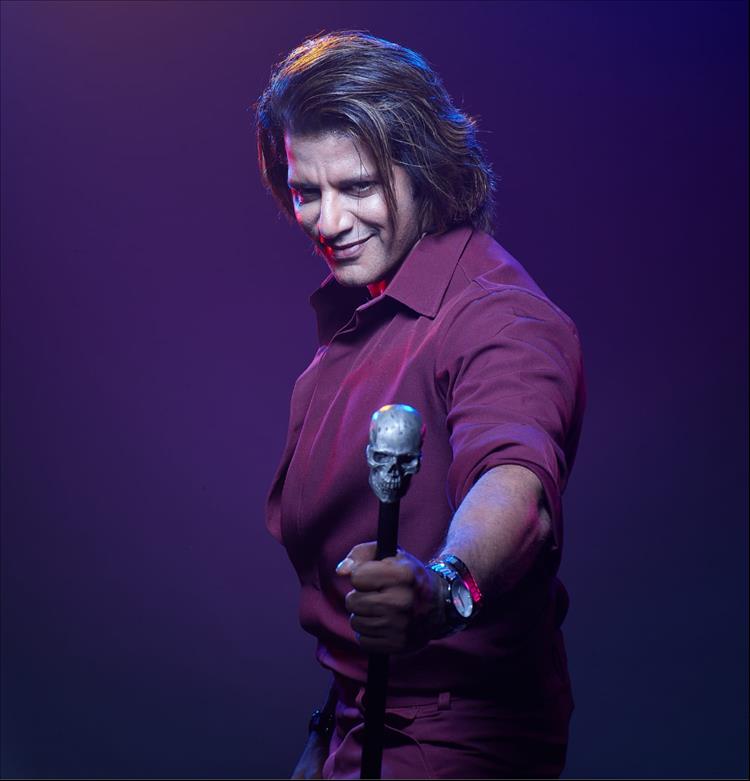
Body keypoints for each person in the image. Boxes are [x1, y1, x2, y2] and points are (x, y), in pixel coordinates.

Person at [255, 31, 585, 779]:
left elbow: (515, 484)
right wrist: (327, 736)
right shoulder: (373, 305)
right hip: (357, 721)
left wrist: (444, 587)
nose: (328, 222)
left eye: (359, 187)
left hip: (453, 742)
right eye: (307, 192)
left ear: (425, 169)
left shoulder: (499, 318)